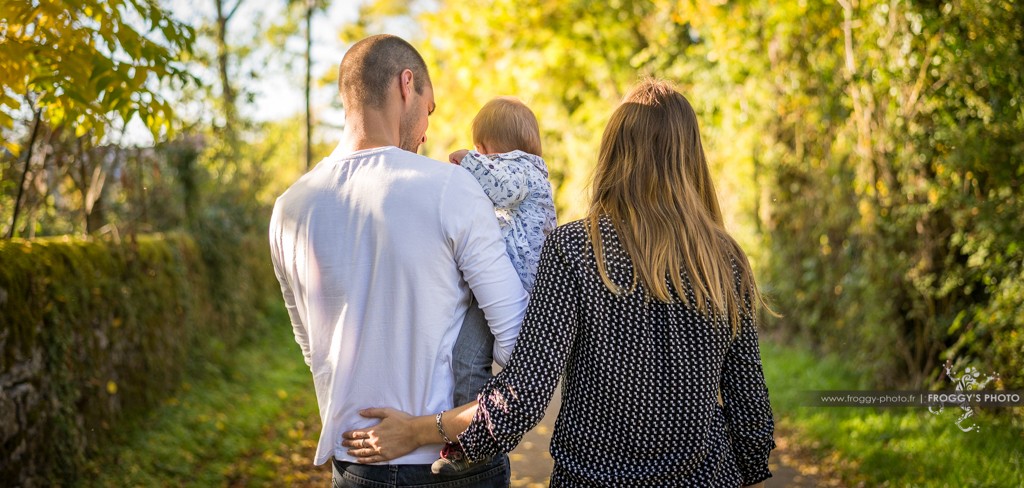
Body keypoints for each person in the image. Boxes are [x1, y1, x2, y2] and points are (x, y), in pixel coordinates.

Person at [340, 79, 777, 487]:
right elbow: (751, 412)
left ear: (613, 152)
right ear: (690, 158)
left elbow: (525, 393)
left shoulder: (577, 249)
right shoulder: (725, 260)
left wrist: (420, 432)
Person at [268, 34, 529, 487]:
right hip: (453, 464)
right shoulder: (449, 187)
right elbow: (517, 340)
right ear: (406, 85)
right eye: (428, 110)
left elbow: (314, 349)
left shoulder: (289, 209)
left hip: (354, 466)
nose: (426, 131)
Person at [435, 96, 557, 474]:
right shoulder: (524, 171)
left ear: (489, 146)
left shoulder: (523, 171)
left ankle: (472, 444)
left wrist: (466, 162)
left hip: (519, 284)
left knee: (471, 361)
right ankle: (472, 439)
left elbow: (499, 190)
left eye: (480, 148)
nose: (478, 154)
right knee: (468, 357)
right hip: (510, 281)